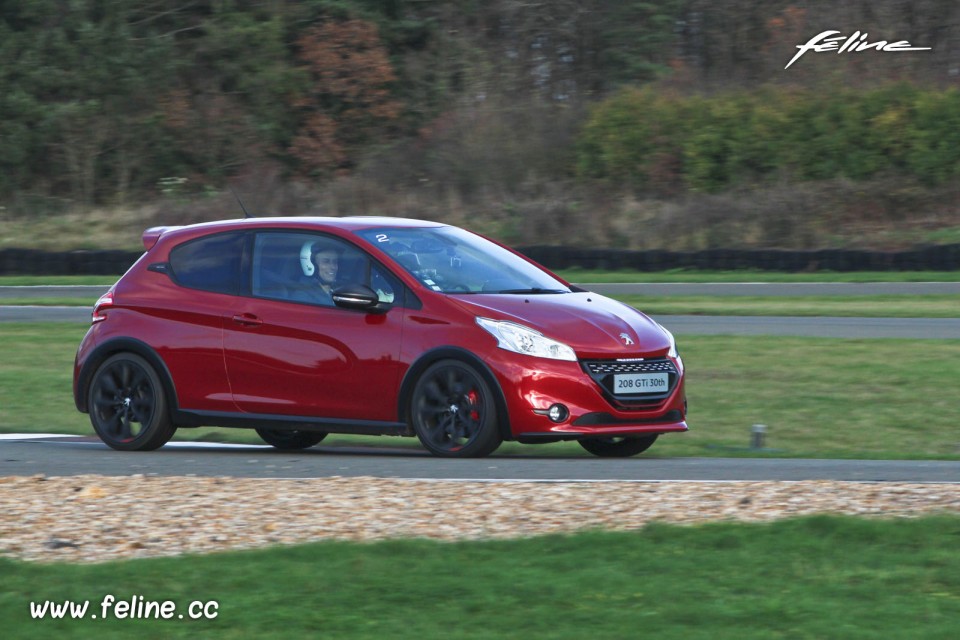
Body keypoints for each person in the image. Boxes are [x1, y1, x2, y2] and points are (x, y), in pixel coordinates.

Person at [292, 240, 340, 305]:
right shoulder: (303, 296)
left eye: (335, 262)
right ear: (312, 264)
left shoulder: (337, 290)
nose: (333, 267)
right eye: (326, 261)